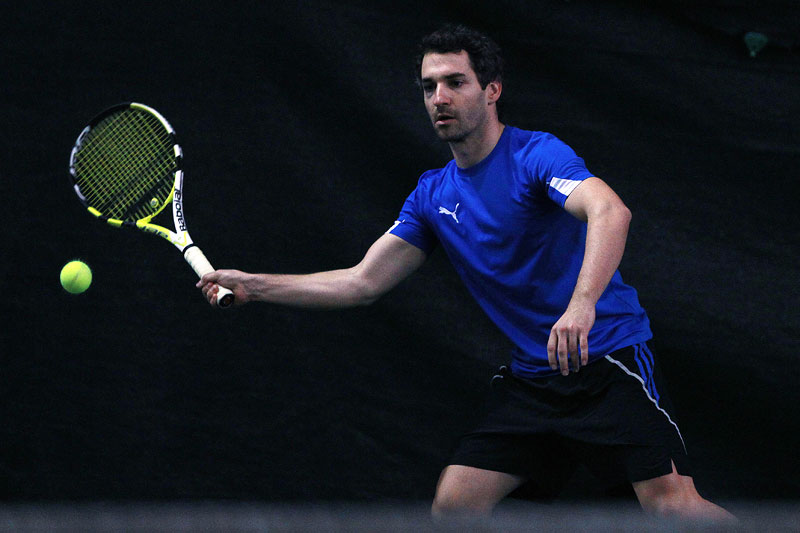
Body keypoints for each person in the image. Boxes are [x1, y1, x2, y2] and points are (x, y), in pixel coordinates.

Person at [198, 24, 734, 522]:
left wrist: (581, 304)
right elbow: (361, 282)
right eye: (429, 87)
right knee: (454, 507)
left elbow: (609, 211)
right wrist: (255, 286)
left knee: (672, 509)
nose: (440, 99)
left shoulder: (536, 156)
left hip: (607, 360)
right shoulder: (433, 195)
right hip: (534, 379)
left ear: (492, 90)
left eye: (455, 82)